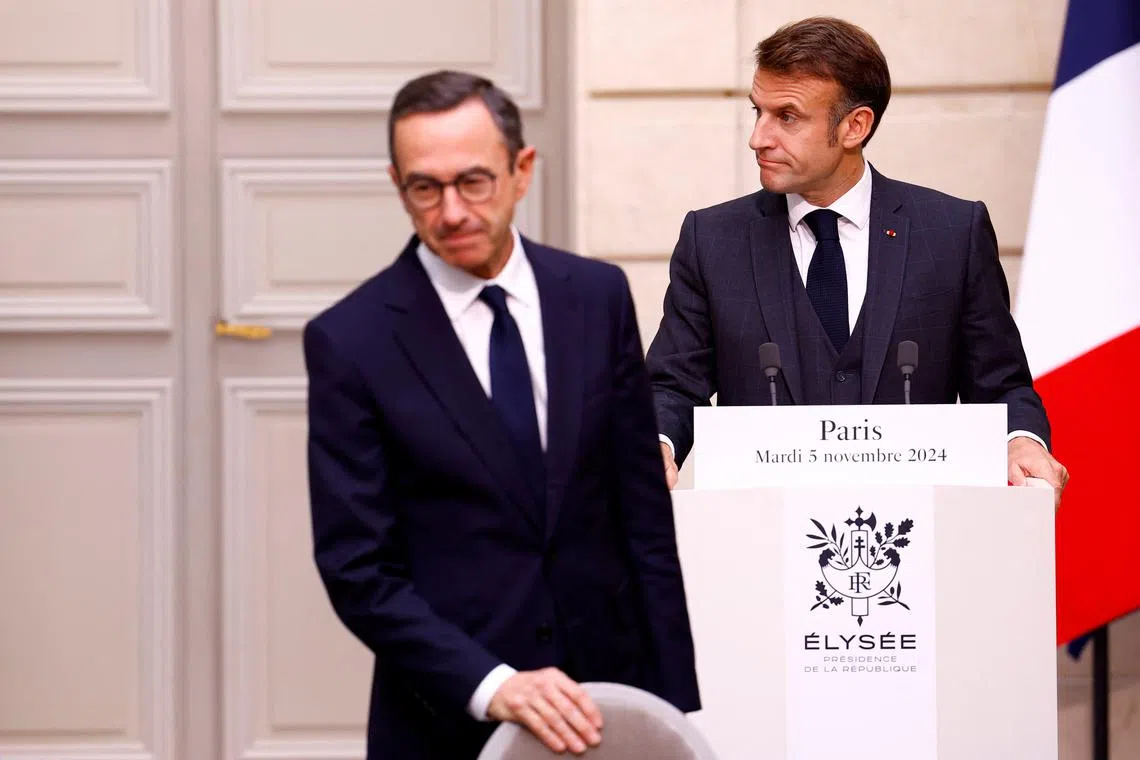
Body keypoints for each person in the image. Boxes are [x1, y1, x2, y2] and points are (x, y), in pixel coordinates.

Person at [303, 70, 700, 760]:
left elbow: (643, 523)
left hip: (609, 708)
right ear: (398, 184)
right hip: (445, 718)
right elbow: (358, 569)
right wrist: (493, 685)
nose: (450, 210)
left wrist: (672, 711)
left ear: (522, 171)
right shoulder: (351, 340)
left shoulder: (597, 296)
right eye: (424, 187)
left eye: (473, 181)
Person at [647, 16, 1070, 503]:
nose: (758, 138)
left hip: (917, 542)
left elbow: (1000, 387)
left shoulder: (954, 232)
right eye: (757, 112)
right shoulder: (712, 239)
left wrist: (1021, 441)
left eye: (786, 116)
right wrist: (654, 445)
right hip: (759, 546)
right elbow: (672, 386)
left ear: (855, 125)